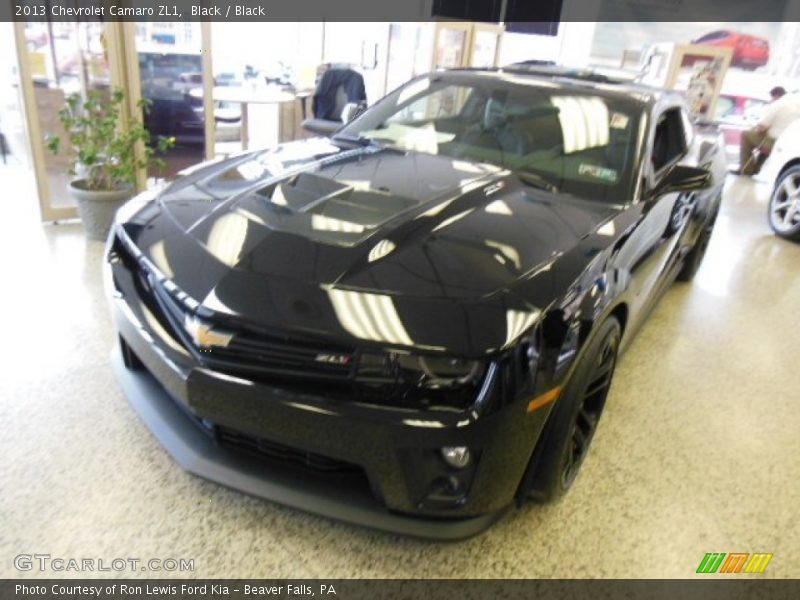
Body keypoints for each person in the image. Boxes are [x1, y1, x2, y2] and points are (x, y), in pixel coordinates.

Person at [738, 86, 800, 175]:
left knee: (746, 135)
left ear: (776, 96)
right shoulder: (797, 105)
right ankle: (756, 168)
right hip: (790, 145)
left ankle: (746, 169)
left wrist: (756, 129)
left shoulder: (779, 104)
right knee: (764, 136)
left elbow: (762, 127)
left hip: (774, 143)